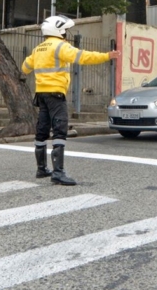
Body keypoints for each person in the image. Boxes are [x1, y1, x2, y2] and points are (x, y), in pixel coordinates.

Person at [20, 16, 120, 186]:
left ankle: (41, 168)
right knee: (59, 130)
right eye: (65, 30)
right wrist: (107, 56)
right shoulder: (60, 46)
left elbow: (25, 67)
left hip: (41, 95)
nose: (66, 33)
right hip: (56, 94)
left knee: (42, 130)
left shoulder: (38, 49)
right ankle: (58, 173)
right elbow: (82, 57)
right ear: (59, 30)